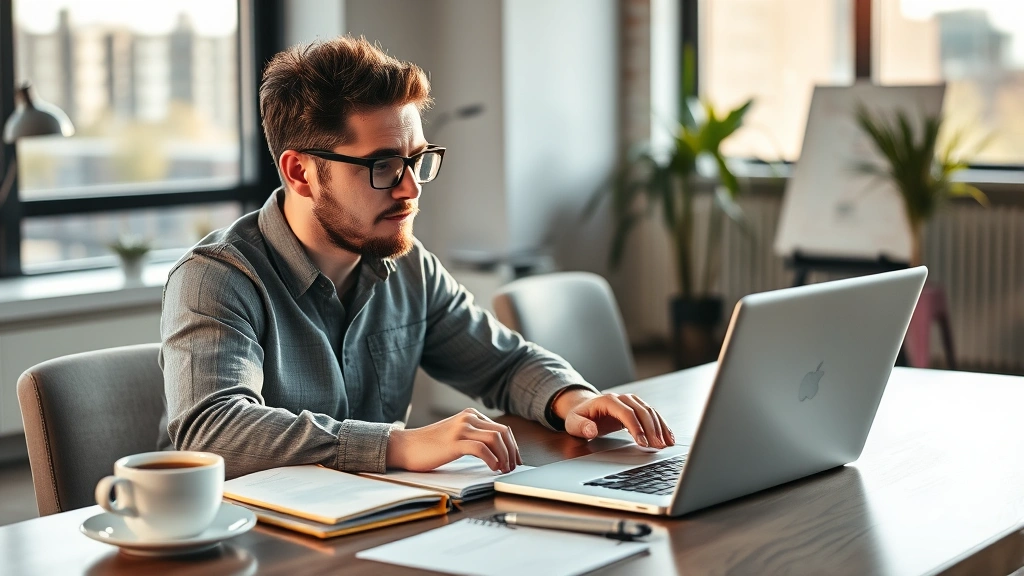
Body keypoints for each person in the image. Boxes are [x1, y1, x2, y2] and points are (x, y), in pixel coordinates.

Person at [157, 36, 674, 479]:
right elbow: (212, 430)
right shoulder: (216, 279)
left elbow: (504, 363)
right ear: (300, 173)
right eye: (383, 165)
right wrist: (398, 444)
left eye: (417, 160)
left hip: (370, 530)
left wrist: (573, 401)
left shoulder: (407, 265)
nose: (410, 188)